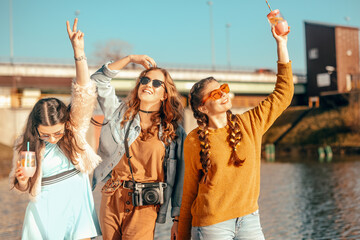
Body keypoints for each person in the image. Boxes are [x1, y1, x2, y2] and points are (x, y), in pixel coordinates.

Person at [178, 26, 294, 240]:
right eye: (215, 93)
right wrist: (181, 232)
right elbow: (189, 192)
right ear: (202, 108)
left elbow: (284, 93)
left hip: (250, 219)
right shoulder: (194, 140)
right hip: (211, 226)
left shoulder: (250, 122)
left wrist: (281, 44)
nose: (222, 94)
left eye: (223, 88)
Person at [9, 18, 102, 240]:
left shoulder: (73, 129)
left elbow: (84, 91)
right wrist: (22, 180)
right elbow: (23, 185)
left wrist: (78, 52)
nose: (52, 138)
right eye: (46, 134)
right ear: (35, 128)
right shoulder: (29, 145)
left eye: (57, 133)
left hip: (76, 204)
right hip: (45, 210)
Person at [91, 54, 186, 240]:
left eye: (157, 83)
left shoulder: (173, 130)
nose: (149, 85)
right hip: (112, 195)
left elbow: (181, 175)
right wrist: (130, 59)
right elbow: (98, 80)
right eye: (145, 80)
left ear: (165, 94)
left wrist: (178, 218)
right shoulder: (118, 114)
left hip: (146, 202)